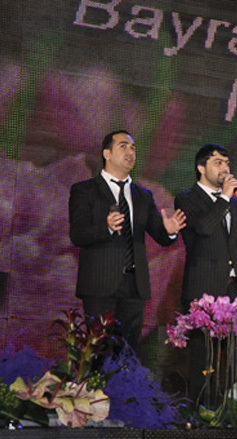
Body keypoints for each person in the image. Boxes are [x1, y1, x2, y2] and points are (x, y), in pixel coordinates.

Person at [69, 130, 186, 353]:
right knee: (97, 353)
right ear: (107, 153)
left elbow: (161, 237)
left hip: (134, 287)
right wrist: (106, 227)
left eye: (133, 148)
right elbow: (78, 235)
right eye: (123, 146)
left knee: (127, 356)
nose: (130, 152)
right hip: (100, 286)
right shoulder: (85, 191)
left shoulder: (143, 196)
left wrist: (170, 231)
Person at [174, 143, 237, 402]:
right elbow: (204, 228)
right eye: (218, 162)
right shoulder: (186, 198)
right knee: (203, 359)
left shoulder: (232, 204)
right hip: (203, 289)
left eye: (227, 163)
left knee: (236, 356)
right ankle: (200, 413)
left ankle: (233, 411)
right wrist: (223, 199)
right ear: (200, 167)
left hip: (233, 289)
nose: (225, 168)